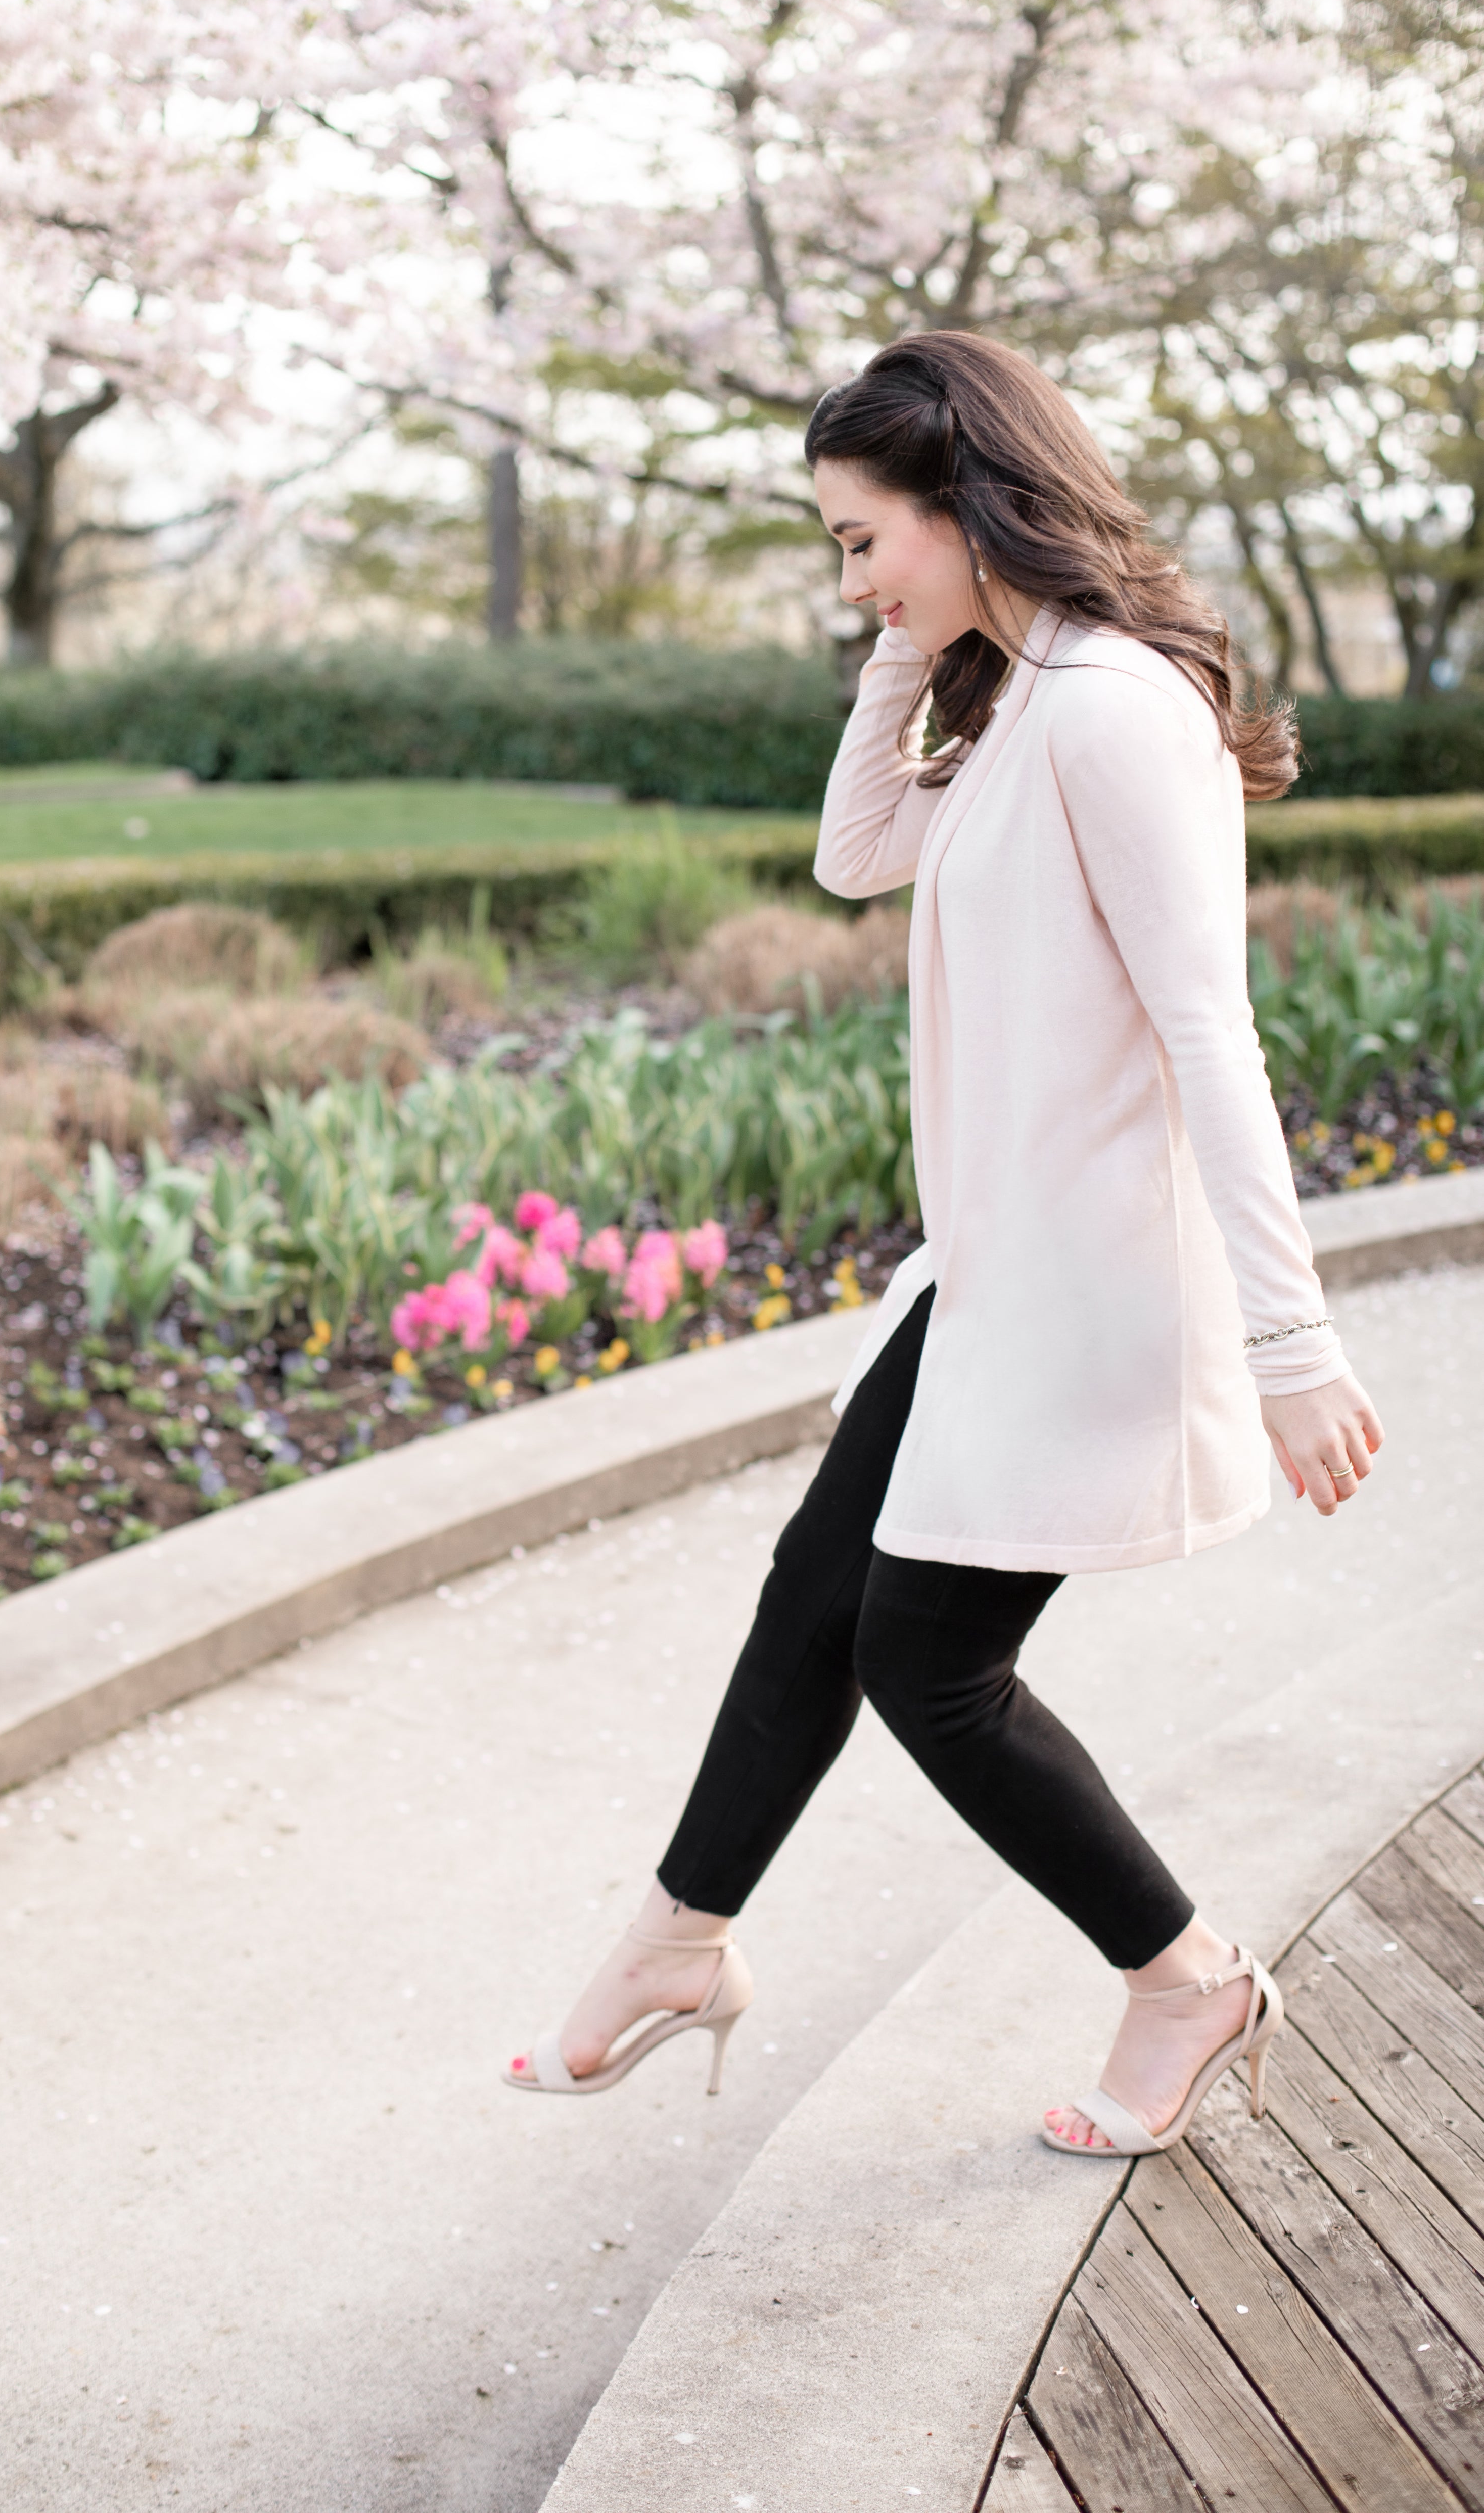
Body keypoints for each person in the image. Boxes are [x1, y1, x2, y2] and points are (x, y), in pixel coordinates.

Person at [505, 331, 1383, 2158]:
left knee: (925, 1659)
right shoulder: (1018, 689)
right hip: (988, 1272)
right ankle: (680, 1937)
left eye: (860, 539)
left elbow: (1209, 1032)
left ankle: (1185, 1974)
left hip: (1087, 1286)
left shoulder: (1114, 706)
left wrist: (1291, 1347)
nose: (850, 582)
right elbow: (849, 853)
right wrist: (917, 629)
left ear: (968, 498)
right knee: (816, 1593)